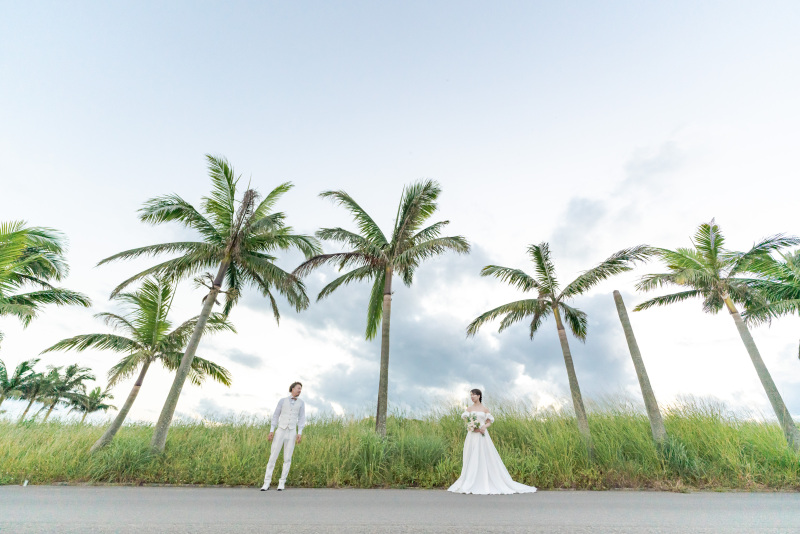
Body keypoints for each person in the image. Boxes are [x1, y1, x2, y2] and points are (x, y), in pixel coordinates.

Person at [447, 388, 537, 495]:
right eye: (471, 395)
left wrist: (484, 426)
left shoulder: (485, 409)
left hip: (482, 434)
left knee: (484, 455)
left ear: (479, 396)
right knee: (470, 456)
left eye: (474, 395)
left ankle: (484, 479)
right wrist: (472, 427)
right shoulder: (469, 409)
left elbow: (489, 422)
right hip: (472, 435)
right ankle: (469, 480)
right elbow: (466, 422)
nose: (472, 397)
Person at [261, 381, 306, 491]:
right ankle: (266, 482)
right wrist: (272, 430)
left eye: (301, 389)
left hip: (292, 432)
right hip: (280, 430)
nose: (300, 390)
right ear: (292, 389)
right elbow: (276, 416)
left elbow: (301, 418)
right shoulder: (282, 401)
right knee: (273, 456)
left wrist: (299, 432)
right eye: (298, 388)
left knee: (287, 458)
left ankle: (282, 482)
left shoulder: (301, 403)